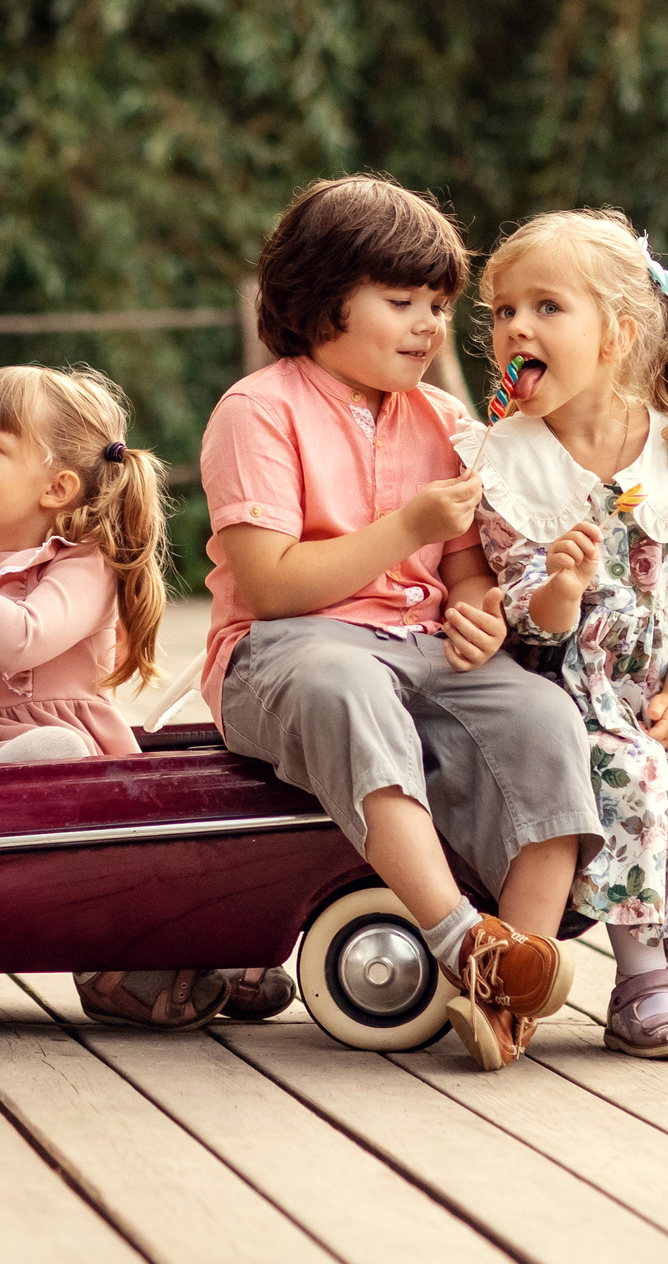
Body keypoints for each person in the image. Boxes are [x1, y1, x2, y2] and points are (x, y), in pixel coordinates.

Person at [201, 176, 598, 1070]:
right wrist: (406, 527)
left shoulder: (446, 418)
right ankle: (463, 938)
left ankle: (517, 982)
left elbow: (464, 571)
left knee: (543, 718)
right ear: (321, 299)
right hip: (286, 654)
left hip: (418, 650)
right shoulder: (258, 410)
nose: (428, 324)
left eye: (438, 305)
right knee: (343, 684)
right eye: (401, 301)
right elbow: (268, 586)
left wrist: (476, 614)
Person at [0, 365, 294, 1028]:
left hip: (78, 794)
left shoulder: (80, 567)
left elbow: (20, 638)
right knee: (40, 763)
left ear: (58, 487)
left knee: (66, 758)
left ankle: (175, 949)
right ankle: (113, 959)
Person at [467, 208, 668, 1060]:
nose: (515, 327)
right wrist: (560, 584)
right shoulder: (510, 462)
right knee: (628, 778)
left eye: (546, 307)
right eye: (501, 311)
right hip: (568, 692)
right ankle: (639, 973)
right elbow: (525, 610)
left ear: (619, 333)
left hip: (663, 685)